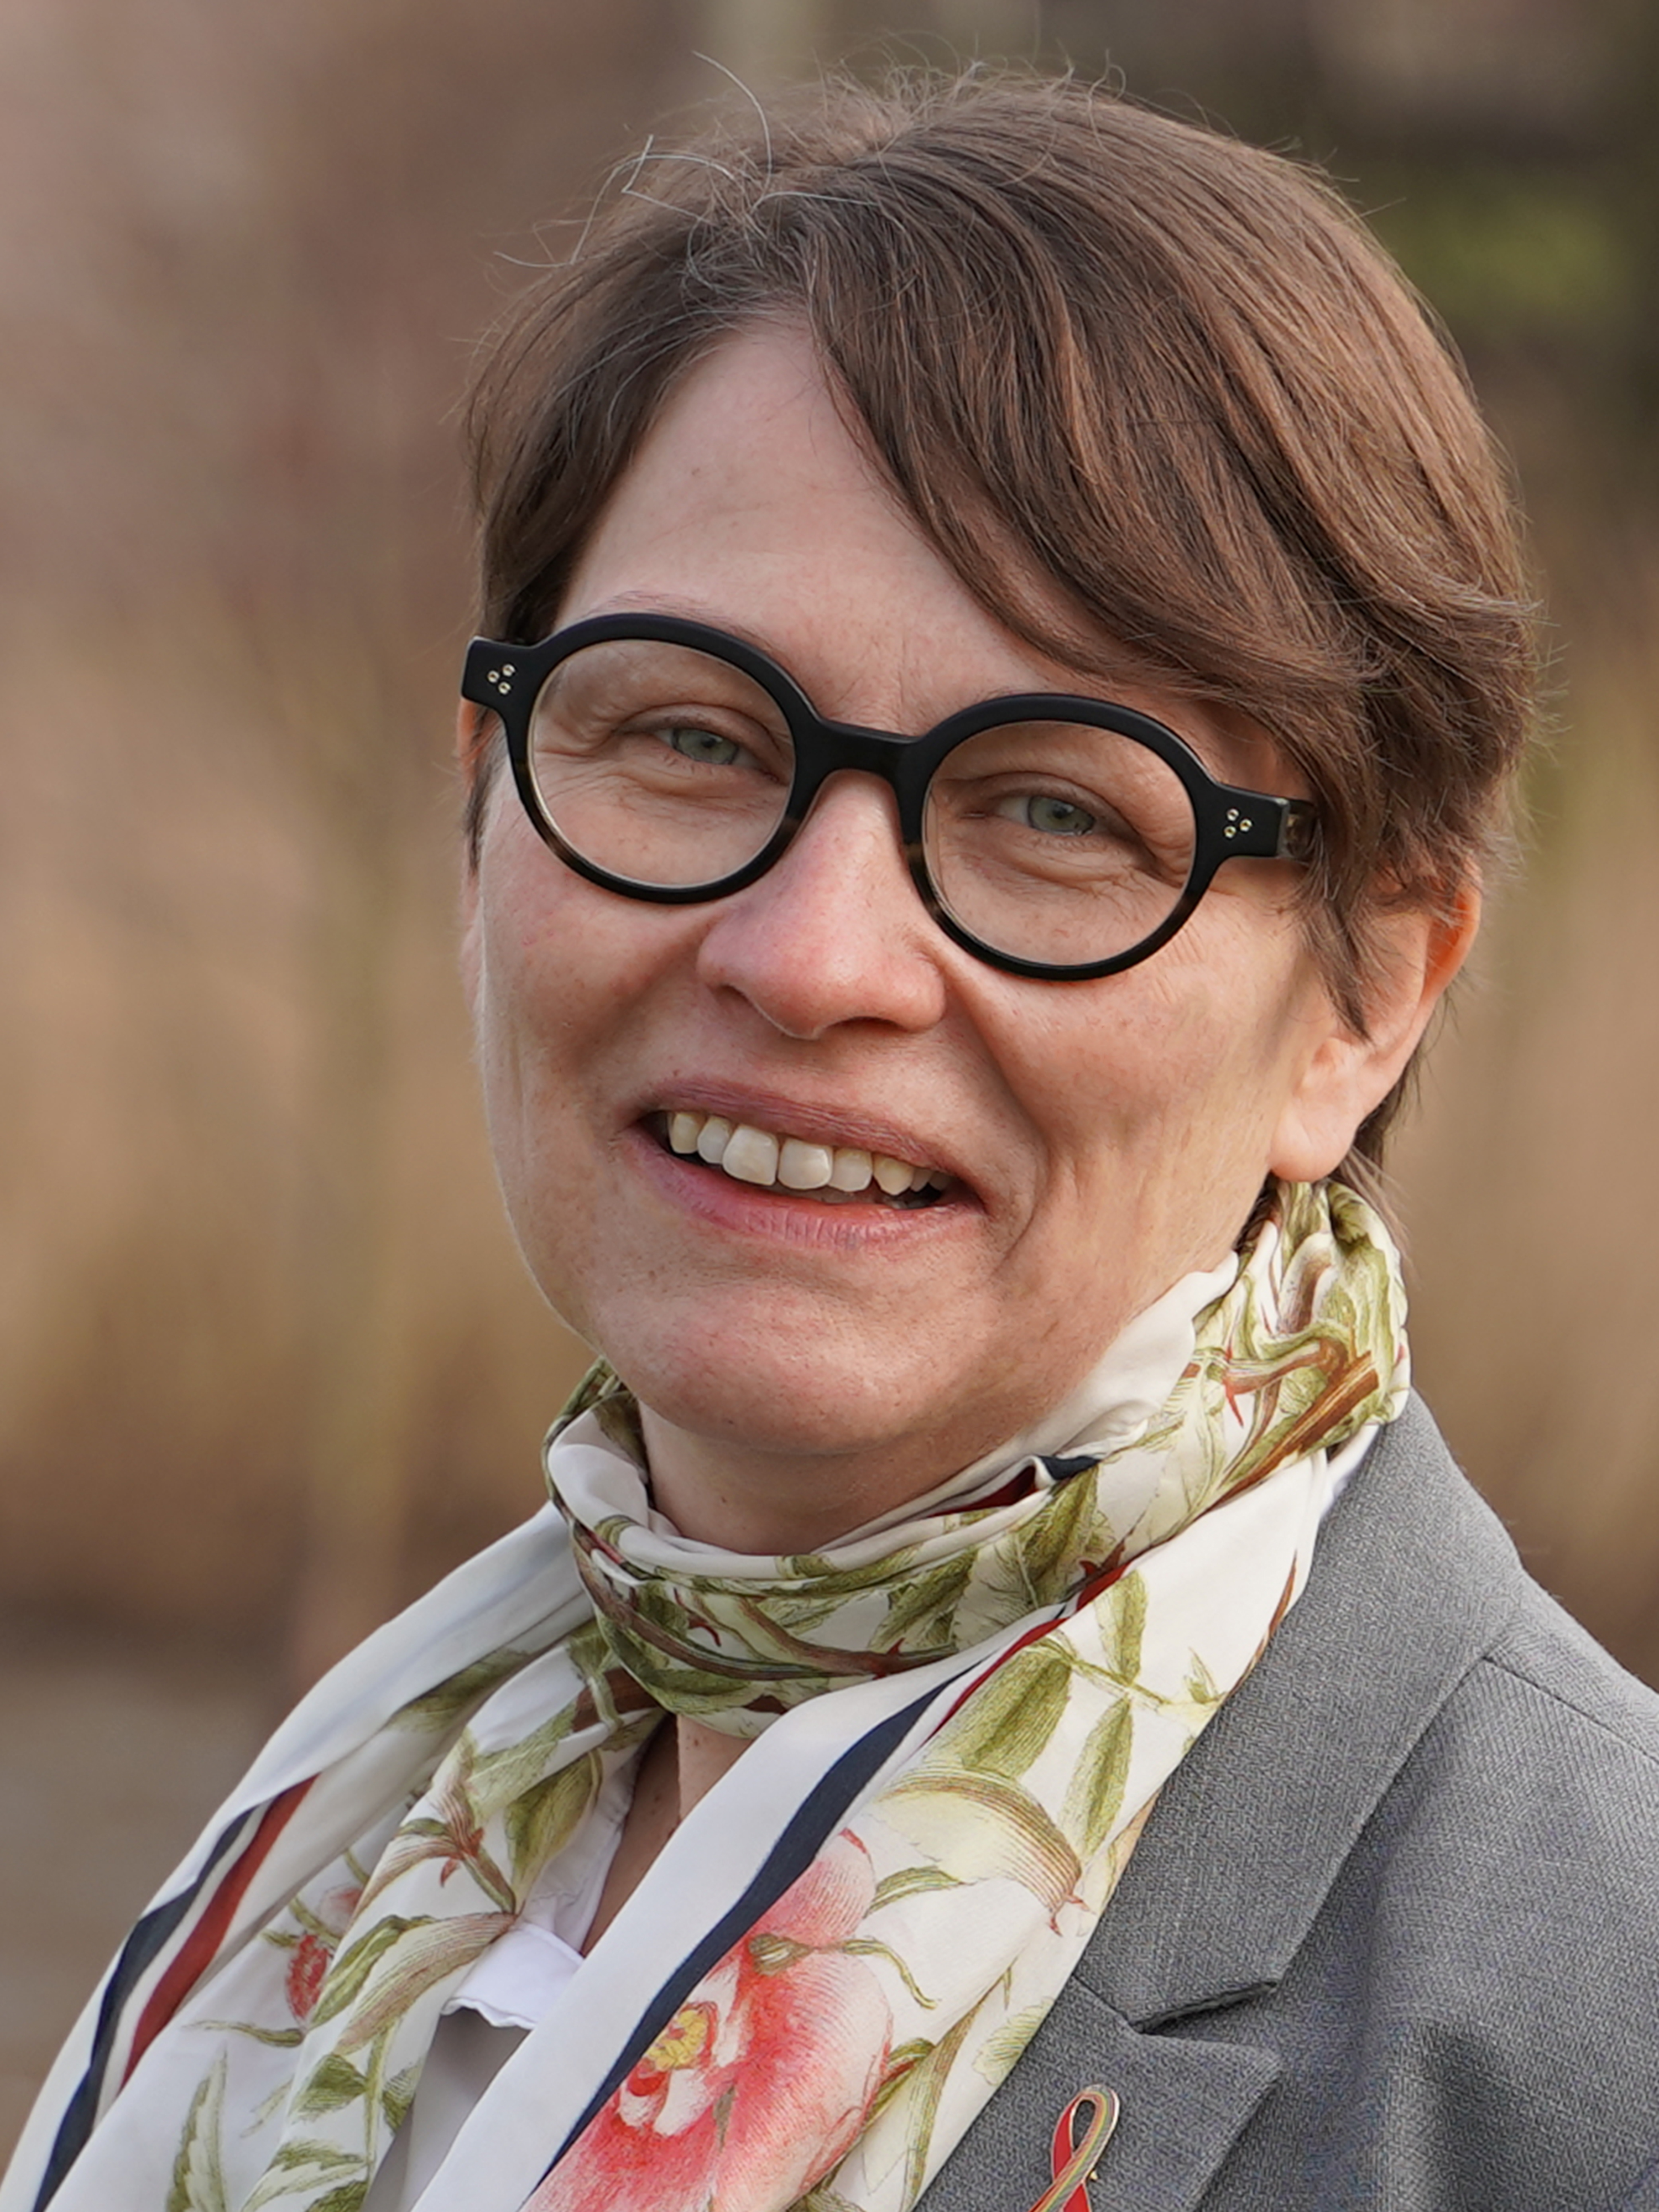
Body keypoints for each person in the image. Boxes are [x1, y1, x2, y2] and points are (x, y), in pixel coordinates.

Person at [8, 69, 1659, 2212]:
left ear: (1366, 1002)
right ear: (484, 803)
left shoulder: (1590, 2049)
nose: (810, 958)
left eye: (1056, 809)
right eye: (692, 734)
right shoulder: (353, 1852)